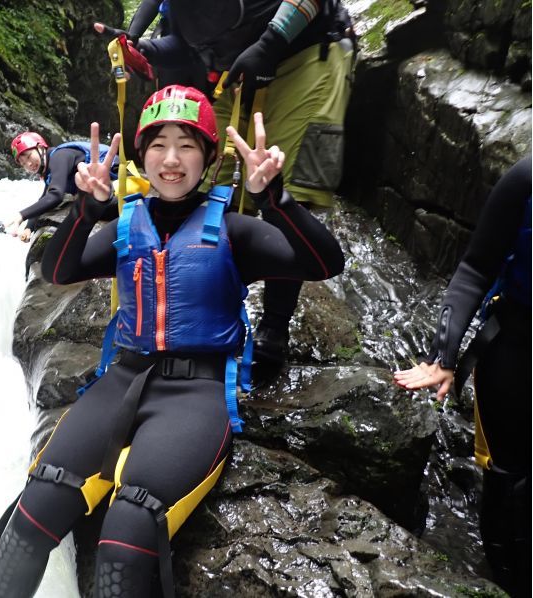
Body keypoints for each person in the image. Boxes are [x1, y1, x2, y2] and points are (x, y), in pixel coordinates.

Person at [0, 85, 344, 598]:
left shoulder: (234, 231)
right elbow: (58, 271)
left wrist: (276, 199)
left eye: (187, 145)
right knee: (33, 511)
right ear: (141, 154)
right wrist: (86, 209)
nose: (171, 160)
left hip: (194, 397)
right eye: (158, 144)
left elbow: (325, 263)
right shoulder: (128, 226)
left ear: (210, 159)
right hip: (122, 380)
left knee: (127, 532)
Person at [99, 0, 356, 372]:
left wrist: (270, 44)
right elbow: (186, 46)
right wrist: (141, 48)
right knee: (207, 181)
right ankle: (201, 306)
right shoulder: (172, 9)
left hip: (306, 53)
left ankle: (274, 328)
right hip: (232, 72)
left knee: (280, 182)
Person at [394, 156, 531, 597]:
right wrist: (444, 356)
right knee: (513, 483)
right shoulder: (526, 179)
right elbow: (476, 268)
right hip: (517, 349)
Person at [5, 131, 119, 242]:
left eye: (29, 156)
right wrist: (29, 227)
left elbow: (55, 195)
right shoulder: (50, 169)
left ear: (40, 148)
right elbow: (45, 198)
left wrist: (21, 215)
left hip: (119, 179)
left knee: (85, 210)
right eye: (24, 163)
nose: (29, 164)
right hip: (108, 188)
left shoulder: (59, 156)